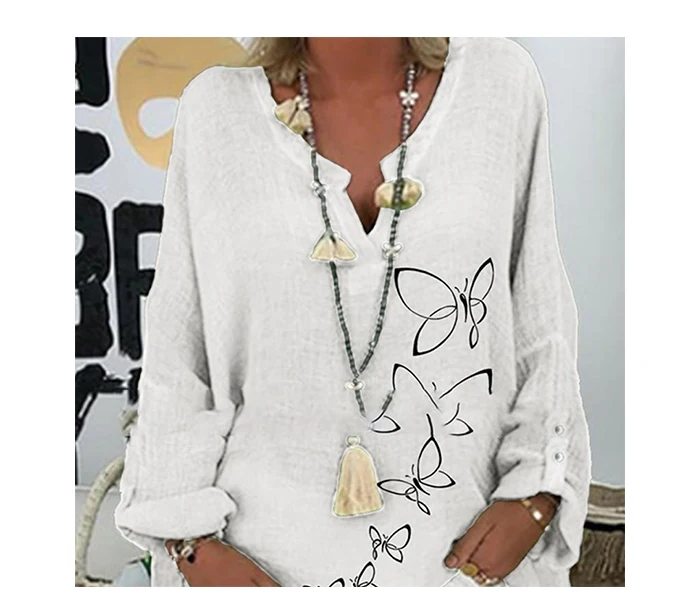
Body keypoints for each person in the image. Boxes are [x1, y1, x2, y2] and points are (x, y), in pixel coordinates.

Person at [115, 37, 592, 587]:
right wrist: (191, 546)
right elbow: (179, 351)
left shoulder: (499, 84)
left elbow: (541, 313)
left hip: (468, 561)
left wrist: (537, 492)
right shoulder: (216, 111)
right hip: (258, 562)